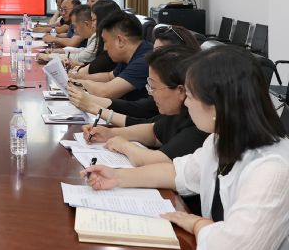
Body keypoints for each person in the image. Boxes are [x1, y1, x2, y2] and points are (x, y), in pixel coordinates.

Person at [83, 46, 289, 250]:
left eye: (190, 96)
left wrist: (196, 223)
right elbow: (177, 172)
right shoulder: (221, 140)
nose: (186, 103)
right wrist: (117, 177)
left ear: (217, 105)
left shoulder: (272, 168)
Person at [79, 46, 208, 166]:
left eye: (153, 87)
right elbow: (153, 133)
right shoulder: (177, 112)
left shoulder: (199, 124)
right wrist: (110, 133)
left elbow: (159, 161)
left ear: (180, 91)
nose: (150, 93)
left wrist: (124, 145)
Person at [70, 21, 202, 120]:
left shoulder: (191, 111)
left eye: (159, 53)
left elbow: (144, 116)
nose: (153, 58)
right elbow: (150, 124)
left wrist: (89, 100)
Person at [70, 11, 152, 101]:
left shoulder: (145, 61)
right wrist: (78, 77)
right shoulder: (131, 54)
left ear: (120, 41)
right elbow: (109, 77)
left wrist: (76, 82)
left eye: (105, 41)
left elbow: (104, 92)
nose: (105, 48)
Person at [70, 0, 122, 77]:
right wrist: (82, 66)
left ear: (104, 20)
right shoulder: (101, 38)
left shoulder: (113, 45)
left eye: (93, 20)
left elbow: (101, 67)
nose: (92, 24)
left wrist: (79, 71)